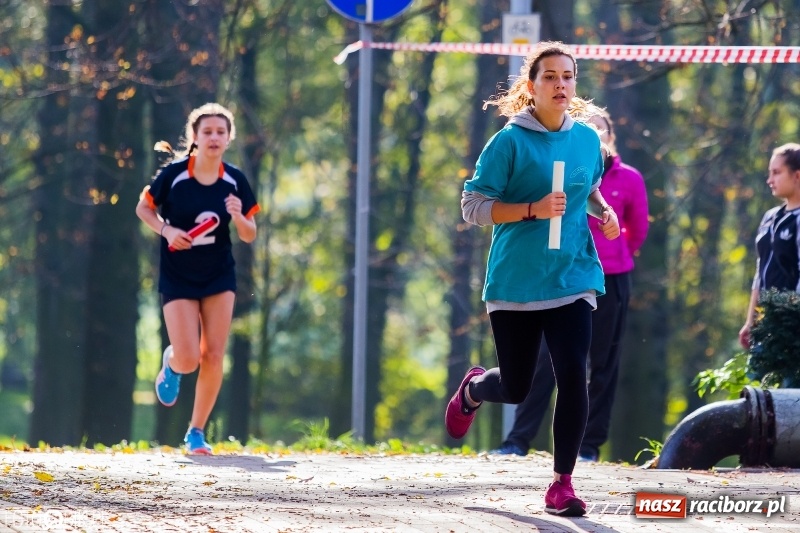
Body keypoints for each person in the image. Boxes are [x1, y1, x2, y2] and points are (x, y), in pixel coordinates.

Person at [447, 41, 620, 517]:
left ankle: (562, 483)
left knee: (573, 375)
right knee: (519, 387)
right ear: (532, 85)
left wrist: (604, 214)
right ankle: (474, 389)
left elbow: (589, 191)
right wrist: (531, 210)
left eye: (568, 76)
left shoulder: (587, 140)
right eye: (550, 77)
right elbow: (473, 207)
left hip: (573, 274)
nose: (561, 85)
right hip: (517, 280)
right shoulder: (508, 141)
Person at [491, 107, 650, 462]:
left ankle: (588, 448)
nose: (595, 133)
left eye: (601, 128)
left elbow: (637, 229)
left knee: (600, 364)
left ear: (610, 137)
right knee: (546, 361)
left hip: (611, 276)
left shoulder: (629, 178)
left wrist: (615, 243)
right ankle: (518, 439)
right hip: (561, 276)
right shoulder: (561, 163)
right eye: (588, 127)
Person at [135, 102, 259, 455]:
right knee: (189, 358)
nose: (214, 137)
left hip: (219, 274)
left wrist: (239, 217)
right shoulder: (174, 176)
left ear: (229, 138)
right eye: (207, 132)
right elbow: (143, 207)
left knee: (215, 354)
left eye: (221, 132)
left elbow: (250, 234)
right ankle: (172, 363)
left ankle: (196, 432)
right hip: (179, 275)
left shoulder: (235, 181)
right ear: (195, 137)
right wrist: (165, 229)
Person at [739, 143, 800, 350]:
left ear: (797, 176)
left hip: (791, 329)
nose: (769, 180)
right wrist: (751, 321)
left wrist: (791, 319)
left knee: (789, 383)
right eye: (769, 173)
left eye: (776, 173)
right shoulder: (769, 217)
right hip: (766, 325)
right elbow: (760, 272)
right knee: (755, 381)